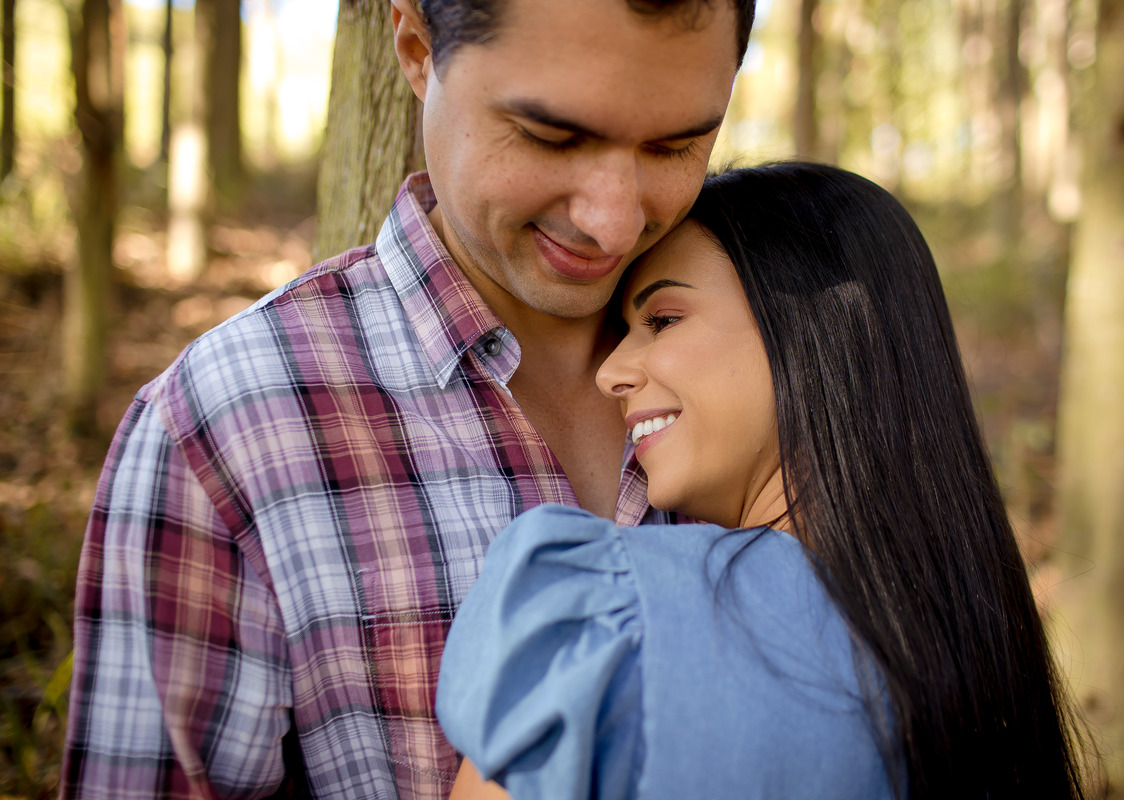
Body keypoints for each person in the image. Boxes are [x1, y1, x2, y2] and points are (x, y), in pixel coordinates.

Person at [60, 0, 756, 797]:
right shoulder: (221, 434)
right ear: (418, 47)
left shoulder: (793, 366)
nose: (613, 219)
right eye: (552, 136)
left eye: (676, 144)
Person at [436, 162, 1090, 799]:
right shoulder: (976, 651)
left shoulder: (615, 621)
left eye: (662, 320)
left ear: (820, 332)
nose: (611, 373)